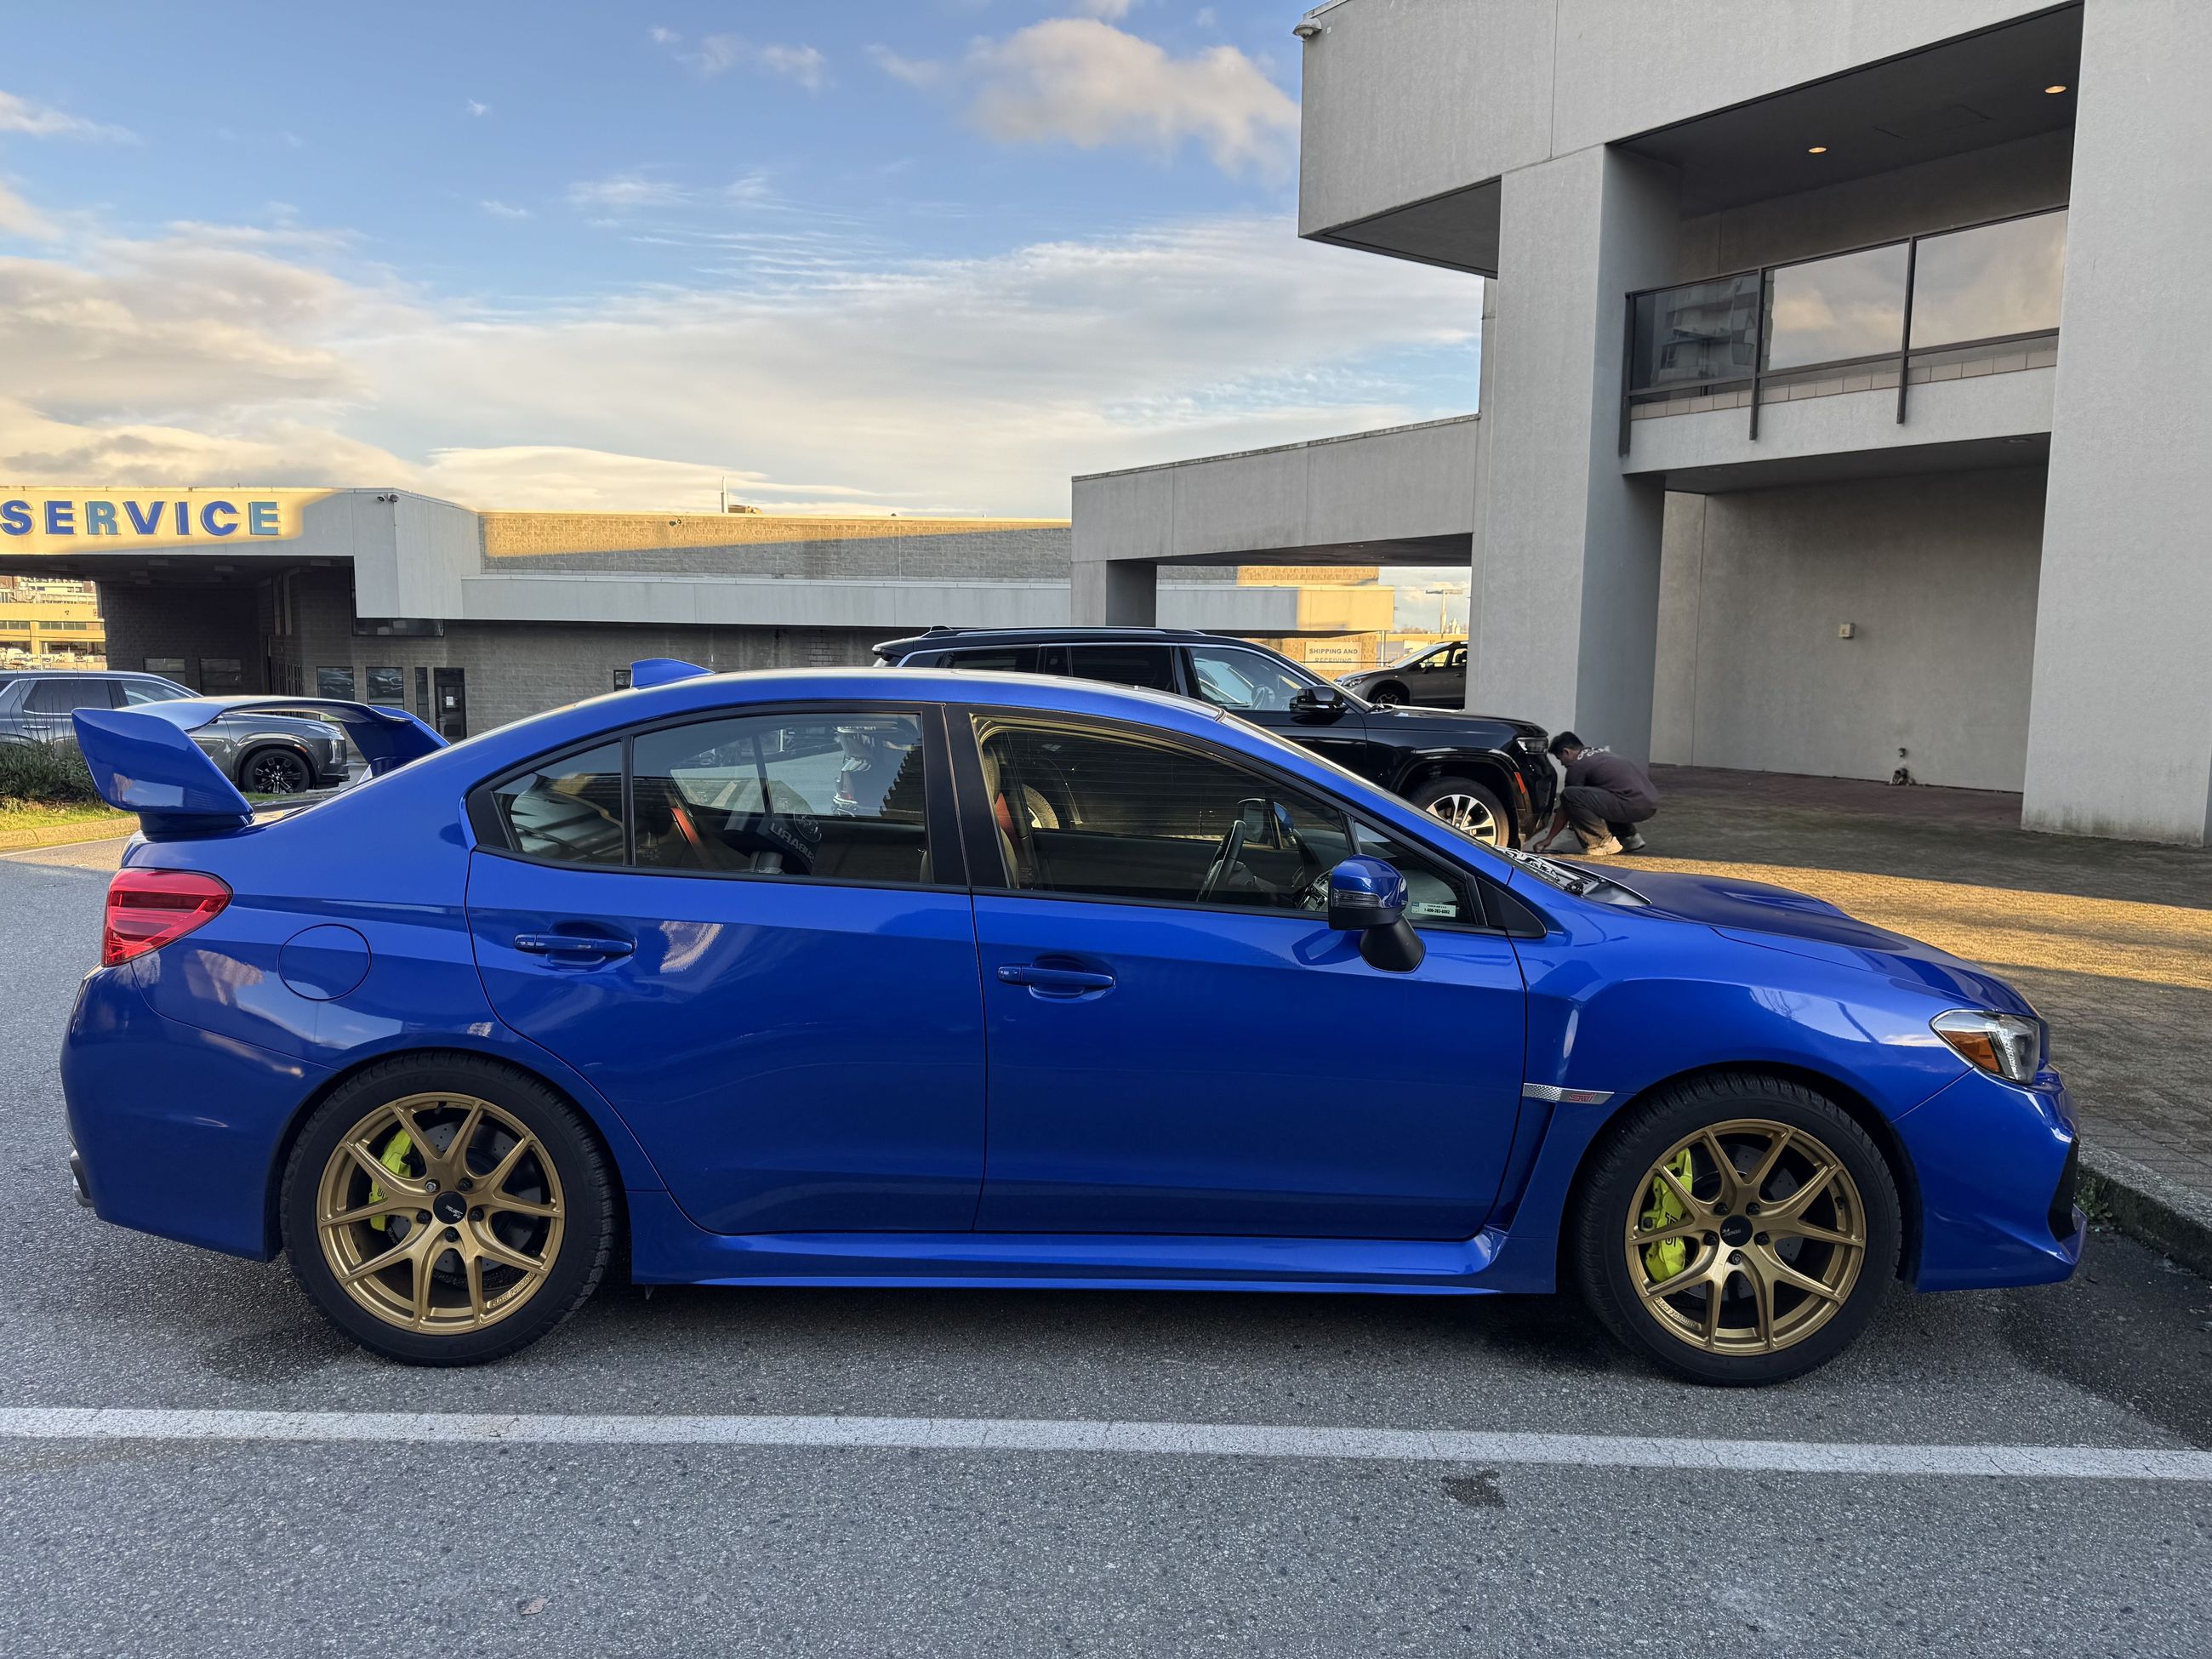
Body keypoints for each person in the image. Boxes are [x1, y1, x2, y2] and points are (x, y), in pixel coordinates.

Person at [1537, 732, 1658, 857]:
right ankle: (1628, 837)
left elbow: (1567, 804)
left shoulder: (1578, 765)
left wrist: (1549, 839)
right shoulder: (1598, 754)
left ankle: (1601, 843)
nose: (1562, 764)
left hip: (1632, 804)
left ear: (1567, 752)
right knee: (1595, 796)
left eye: (1560, 759)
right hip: (1648, 801)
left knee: (1570, 795)